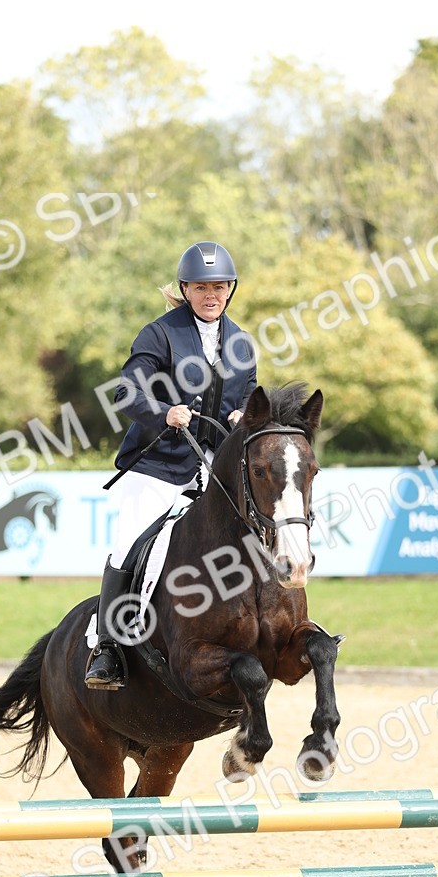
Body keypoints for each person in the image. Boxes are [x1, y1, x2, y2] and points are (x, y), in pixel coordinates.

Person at [85, 240, 258, 690]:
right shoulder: (159, 334)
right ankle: (107, 647)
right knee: (129, 541)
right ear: (185, 289)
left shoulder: (241, 343)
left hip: (212, 467)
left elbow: (246, 396)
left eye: (219, 287)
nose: (211, 295)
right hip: (158, 465)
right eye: (201, 287)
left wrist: (242, 416)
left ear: (231, 289)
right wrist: (164, 412)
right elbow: (126, 392)